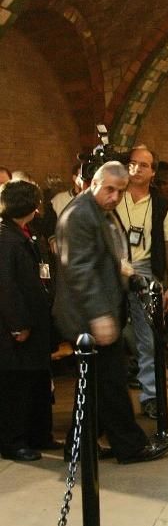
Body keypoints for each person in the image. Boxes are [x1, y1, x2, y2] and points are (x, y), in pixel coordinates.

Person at [52, 161, 168, 464]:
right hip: (88, 317)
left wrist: (129, 278)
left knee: (94, 385)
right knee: (112, 383)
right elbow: (78, 270)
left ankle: (79, 446)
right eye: (110, 190)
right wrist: (99, 314)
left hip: (103, 310)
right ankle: (129, 446)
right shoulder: (79, 215)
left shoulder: (99, 212)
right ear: (94, 183)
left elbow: (105, 259)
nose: (115, 196)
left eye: (120, 191)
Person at [115, 146, 168, 420]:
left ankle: (151, 396)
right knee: (110, 337)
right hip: (114, 268)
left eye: (144, 165)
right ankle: (113, 401)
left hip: (145, 271)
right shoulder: (114, 196)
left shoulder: (162, 204)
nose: (137, 169)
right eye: (132, 163)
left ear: (153, 172)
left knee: (148, 340)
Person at [0, 181, 58, 461]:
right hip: (16, 329)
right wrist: (17, 324)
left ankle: (39, 434)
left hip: (36, 322)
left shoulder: (29, 233)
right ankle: (13, 441)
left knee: (38, 380)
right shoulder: (4, 237)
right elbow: (6, 286)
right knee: (16, 386)